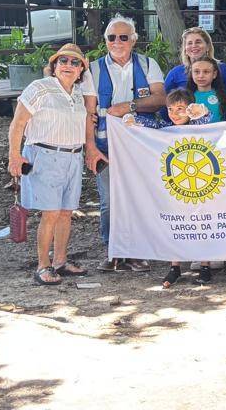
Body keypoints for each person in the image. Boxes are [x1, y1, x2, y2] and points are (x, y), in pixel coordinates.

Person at [82, 15, 166, 273]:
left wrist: (129, 107)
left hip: (141, 146)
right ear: (105, 40)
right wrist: (90, 148)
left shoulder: (148, 64)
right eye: (111, 37)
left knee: (140, 197)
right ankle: (114, 251)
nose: (117, 42)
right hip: (105, 145)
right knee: (109, 200)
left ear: (134, 40)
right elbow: (88, 113)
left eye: (123, 37)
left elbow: (160, 98)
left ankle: (139, 252)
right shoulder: (93, 70)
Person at [7, 43, 92, 286]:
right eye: (63, 61)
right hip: (45, 155)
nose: (68, 66)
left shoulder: (77, 93)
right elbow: (18, 123)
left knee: (66, 212)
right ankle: (42, 265)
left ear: (81, 70)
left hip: (73, 156)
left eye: (75, 63)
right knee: (51, 213)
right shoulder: (40, 88)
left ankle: (60, 261)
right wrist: (14, 156)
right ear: (54, 66)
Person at [122, 88, 214, 287]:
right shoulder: (164, 129)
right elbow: (148, 124)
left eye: (181, 109)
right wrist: (132, 119)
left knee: (201, 223)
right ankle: (175, 267)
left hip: (199, 183)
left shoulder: (199, 126)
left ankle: (205, 266)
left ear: (190, 109)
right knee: (175, 224)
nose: (175, 114)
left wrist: (201, 111)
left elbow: (206, 118)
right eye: (171, 109)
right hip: (173, 184)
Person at [162, 27, 226, 111]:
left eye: (198, 42)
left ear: (208, 46)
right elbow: (164, 102)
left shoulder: (222, 69)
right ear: (185, 49)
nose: (194, 46)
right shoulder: (175, 73)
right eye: (189, 43)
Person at [187, 57, 226, 122]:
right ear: (191, 74)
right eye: (196, 71)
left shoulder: (224, 95)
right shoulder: (186, 96)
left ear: (214, 74)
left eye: (206, 72)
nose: (201, 75)